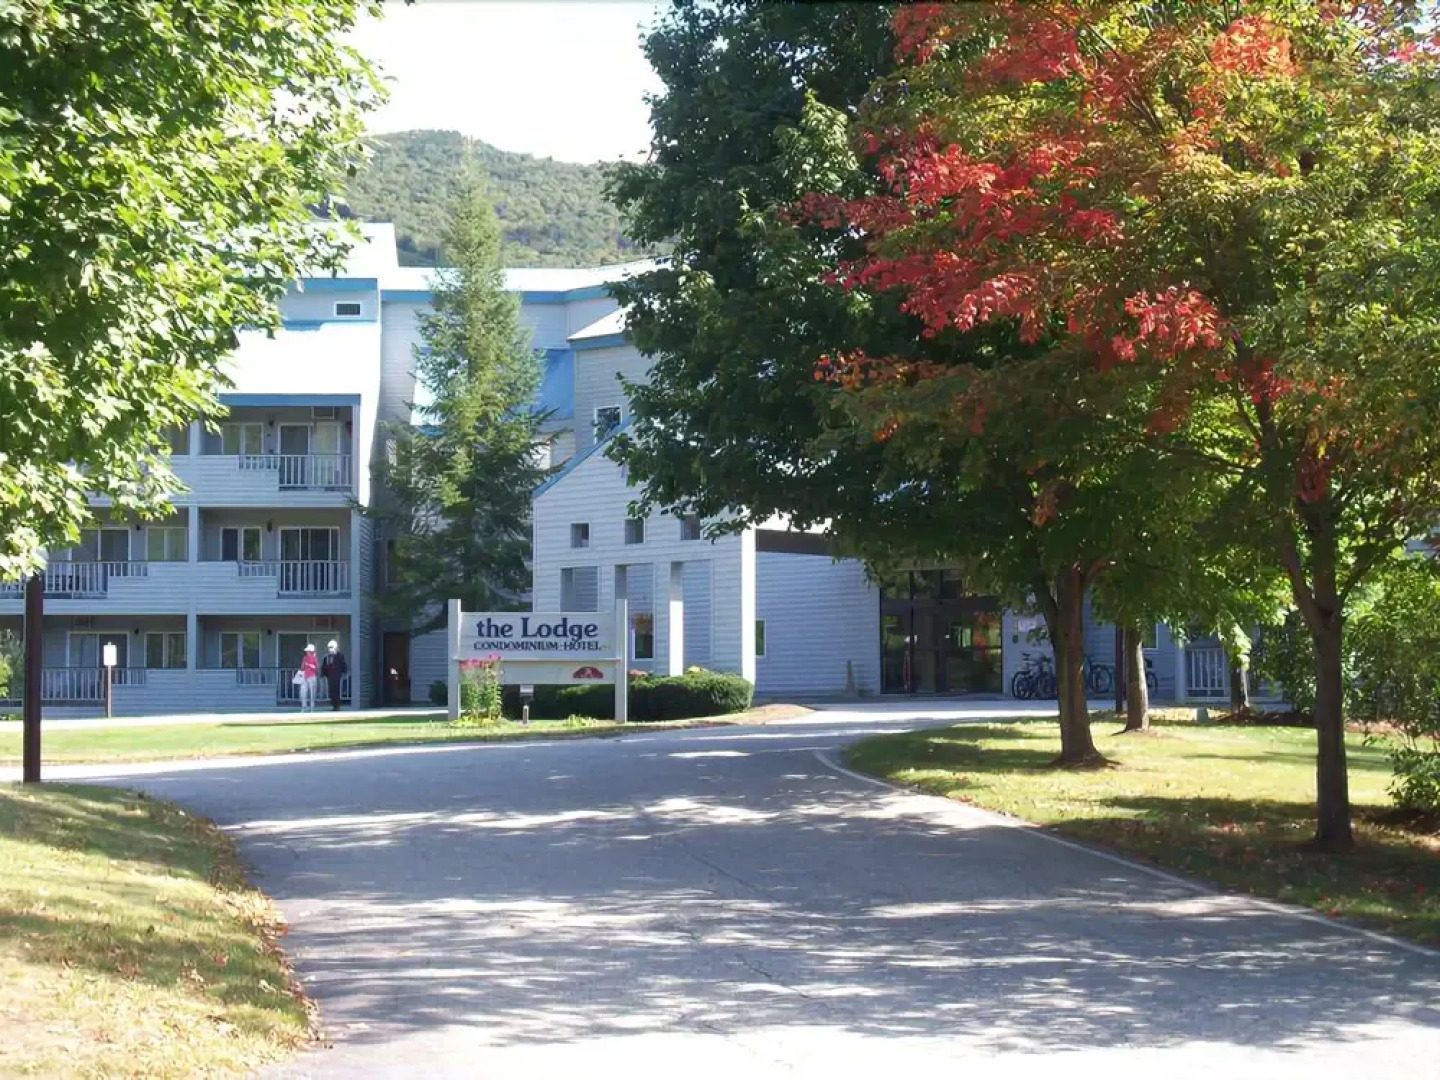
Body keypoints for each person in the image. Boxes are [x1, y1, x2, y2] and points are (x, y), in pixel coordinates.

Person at [320, 639, 348, 711]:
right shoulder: (327, 657)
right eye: (329, 647)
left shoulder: (340, 655)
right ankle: (333, 705)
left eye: (331, 647)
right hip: (330, 676)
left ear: (335, 647)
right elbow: (324, 666)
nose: (330, 649)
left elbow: (343, 664)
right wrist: (323, 674)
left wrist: (344, 672)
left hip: (337, 675)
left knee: (337, 691)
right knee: (331, 691)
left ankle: (337, 706)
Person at [297, 644, 319, 712]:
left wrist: (309, 665)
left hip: (312, 676)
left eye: (308, 651)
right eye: (307, 651)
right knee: (303, 692)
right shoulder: (305, 658)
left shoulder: (314, 658)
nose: (307, 652)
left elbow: (317, 667)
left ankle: (312, 708)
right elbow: (302, 667)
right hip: (305, 676)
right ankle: (304, 707)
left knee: (312, 693)